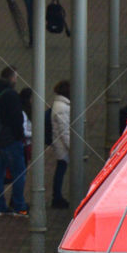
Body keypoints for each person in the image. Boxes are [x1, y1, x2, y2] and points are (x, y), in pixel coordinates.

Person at [0, 66, 28, 216]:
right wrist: (20, 136)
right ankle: (19, 206)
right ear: (11, 78)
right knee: (19, 173)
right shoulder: (11, 95)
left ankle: (0, 206)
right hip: (10, 140)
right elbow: (16, 119)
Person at [50, 79, 70, 209]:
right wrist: (71, 146)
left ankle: (57, 196)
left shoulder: (59, 105)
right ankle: (57, 197)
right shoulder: (62, 108)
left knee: (60, 170)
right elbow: (64, 130)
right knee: (61, 170)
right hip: (62, 146)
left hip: (60, 144)